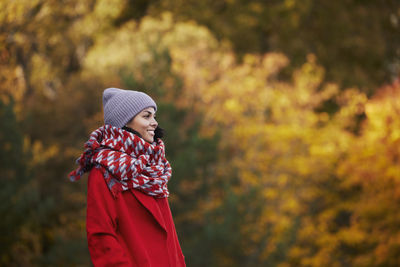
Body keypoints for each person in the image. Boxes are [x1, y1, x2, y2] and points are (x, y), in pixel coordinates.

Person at [69, 88, 186, 267]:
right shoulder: (105, 170)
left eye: (154, 116)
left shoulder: (154, 168)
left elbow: (170, 236)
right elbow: (100, 235)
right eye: (146, 116)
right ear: (125, 121)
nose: (154, 123)